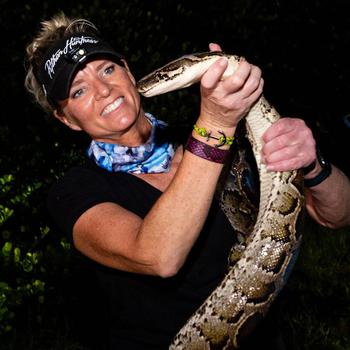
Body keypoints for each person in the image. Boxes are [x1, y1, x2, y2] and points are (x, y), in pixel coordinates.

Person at [24, 12, 350, 350]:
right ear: (66, 119)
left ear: (127, 70)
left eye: (107, 69)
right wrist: (216, 125)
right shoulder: (75, 191)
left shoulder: (220, 139)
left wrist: (312, 165)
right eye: (78, 91)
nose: (104, 90)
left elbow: (337, 215)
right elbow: (158, 256)